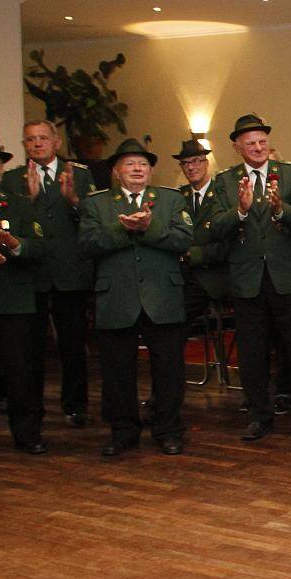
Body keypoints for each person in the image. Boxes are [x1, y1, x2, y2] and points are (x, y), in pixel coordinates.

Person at [78, 139, 193, 456]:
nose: (138, 169)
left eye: (143, 164)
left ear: (151, 170)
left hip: (163, 296)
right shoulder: (96, 204)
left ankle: (168, 430)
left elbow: (184, 238)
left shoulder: (171, 200)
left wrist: (149, 226)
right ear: (116, 171)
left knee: (169, 370)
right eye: (130, 164)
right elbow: (87, 244)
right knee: (117, 372)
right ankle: (123, 432)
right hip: (116, 298)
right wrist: (124, 229)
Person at [210, 114, 291, 443]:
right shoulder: (225, 181)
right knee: (252, 354)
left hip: (287, 278)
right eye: (251, 143)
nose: (258, 148)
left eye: (262, 142)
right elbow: (216, 227)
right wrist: (240, 211)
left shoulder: (289, 173)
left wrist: (281, 209)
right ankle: (259, 416)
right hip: (248, 281)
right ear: (237, 147)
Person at [1, 120, 98, 427]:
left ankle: (76, 406)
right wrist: (27, 201)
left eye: (43, 138)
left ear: (56, 142)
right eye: (30, 139)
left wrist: (74, 201)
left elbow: (94, 219)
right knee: (31, 347)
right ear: (24, 145)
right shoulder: (12, 179)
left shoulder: (79, 175)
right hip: (32, 273)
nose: (37, 143)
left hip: (70, 272)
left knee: (73, 344)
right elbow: (8, 224)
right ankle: (33, 410)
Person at [0, 135, 45, 454]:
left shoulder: (19, 204)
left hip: (13, 300)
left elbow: (39, 248)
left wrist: (15, 244)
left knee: (20, 371)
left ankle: (27, 434)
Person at [173, 140, 230, 326]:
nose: (191, 167)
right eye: (185, 163)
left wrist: (195, 254)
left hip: (213, 275)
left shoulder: (222, 194)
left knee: (176, 316)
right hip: (183, 275)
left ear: (206, 162)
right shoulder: (179, 197)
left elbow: (229, 244)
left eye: (196, 161)